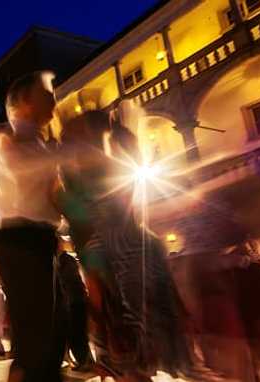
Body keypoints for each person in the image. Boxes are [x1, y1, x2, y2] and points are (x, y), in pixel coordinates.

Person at [57, 110, 196, 381]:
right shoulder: (109, 166)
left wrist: (97, 302)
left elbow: (88, 231)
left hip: (126, 258)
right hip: (129, 255)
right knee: (134, 353)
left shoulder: (88, 175)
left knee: (132, 352)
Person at [0, 71, 67, 382]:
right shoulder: (5, 138)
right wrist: (74, 149)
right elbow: (21, 169)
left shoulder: (37, 142)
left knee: (52, 329)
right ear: (25, 102)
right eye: (48, 93)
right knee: (37, 335)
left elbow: (52, 194)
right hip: (19, 237)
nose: (55, 101)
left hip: (39, 239)